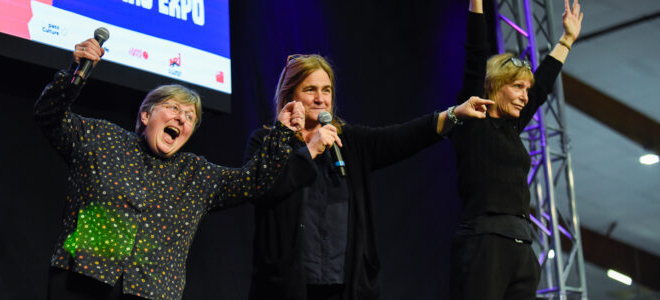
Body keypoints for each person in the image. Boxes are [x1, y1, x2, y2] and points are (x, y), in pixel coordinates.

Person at [35, 38, 308, 300]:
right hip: (81, 280)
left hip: (152, 292)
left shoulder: (197, 175)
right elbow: (49, 115)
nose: (182, 117)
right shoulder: (99, 138)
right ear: (146, 115)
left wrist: (281, 133)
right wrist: (75, 73)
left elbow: (253, 181)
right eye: (173, 107)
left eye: (190, 117)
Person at [243, 52, 495, 297]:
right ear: (290, 95)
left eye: (327, 90)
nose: (321, 98)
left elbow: (402, 137)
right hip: (287, 286)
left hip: (345, 285)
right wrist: (310, 151)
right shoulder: (267, 142)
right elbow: (260, 188)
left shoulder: (349, 142)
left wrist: (454, 114)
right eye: (310, 90)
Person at [448, 0, 583, 299]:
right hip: (485, 243)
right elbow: (475, 54)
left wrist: (567, 40)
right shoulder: (473, 123)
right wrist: (477, 4)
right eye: (517, 87)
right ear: (495, 85)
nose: (525, 96)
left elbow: (543, 84)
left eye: (526, 88)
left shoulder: (511, 127)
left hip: (521, 246)